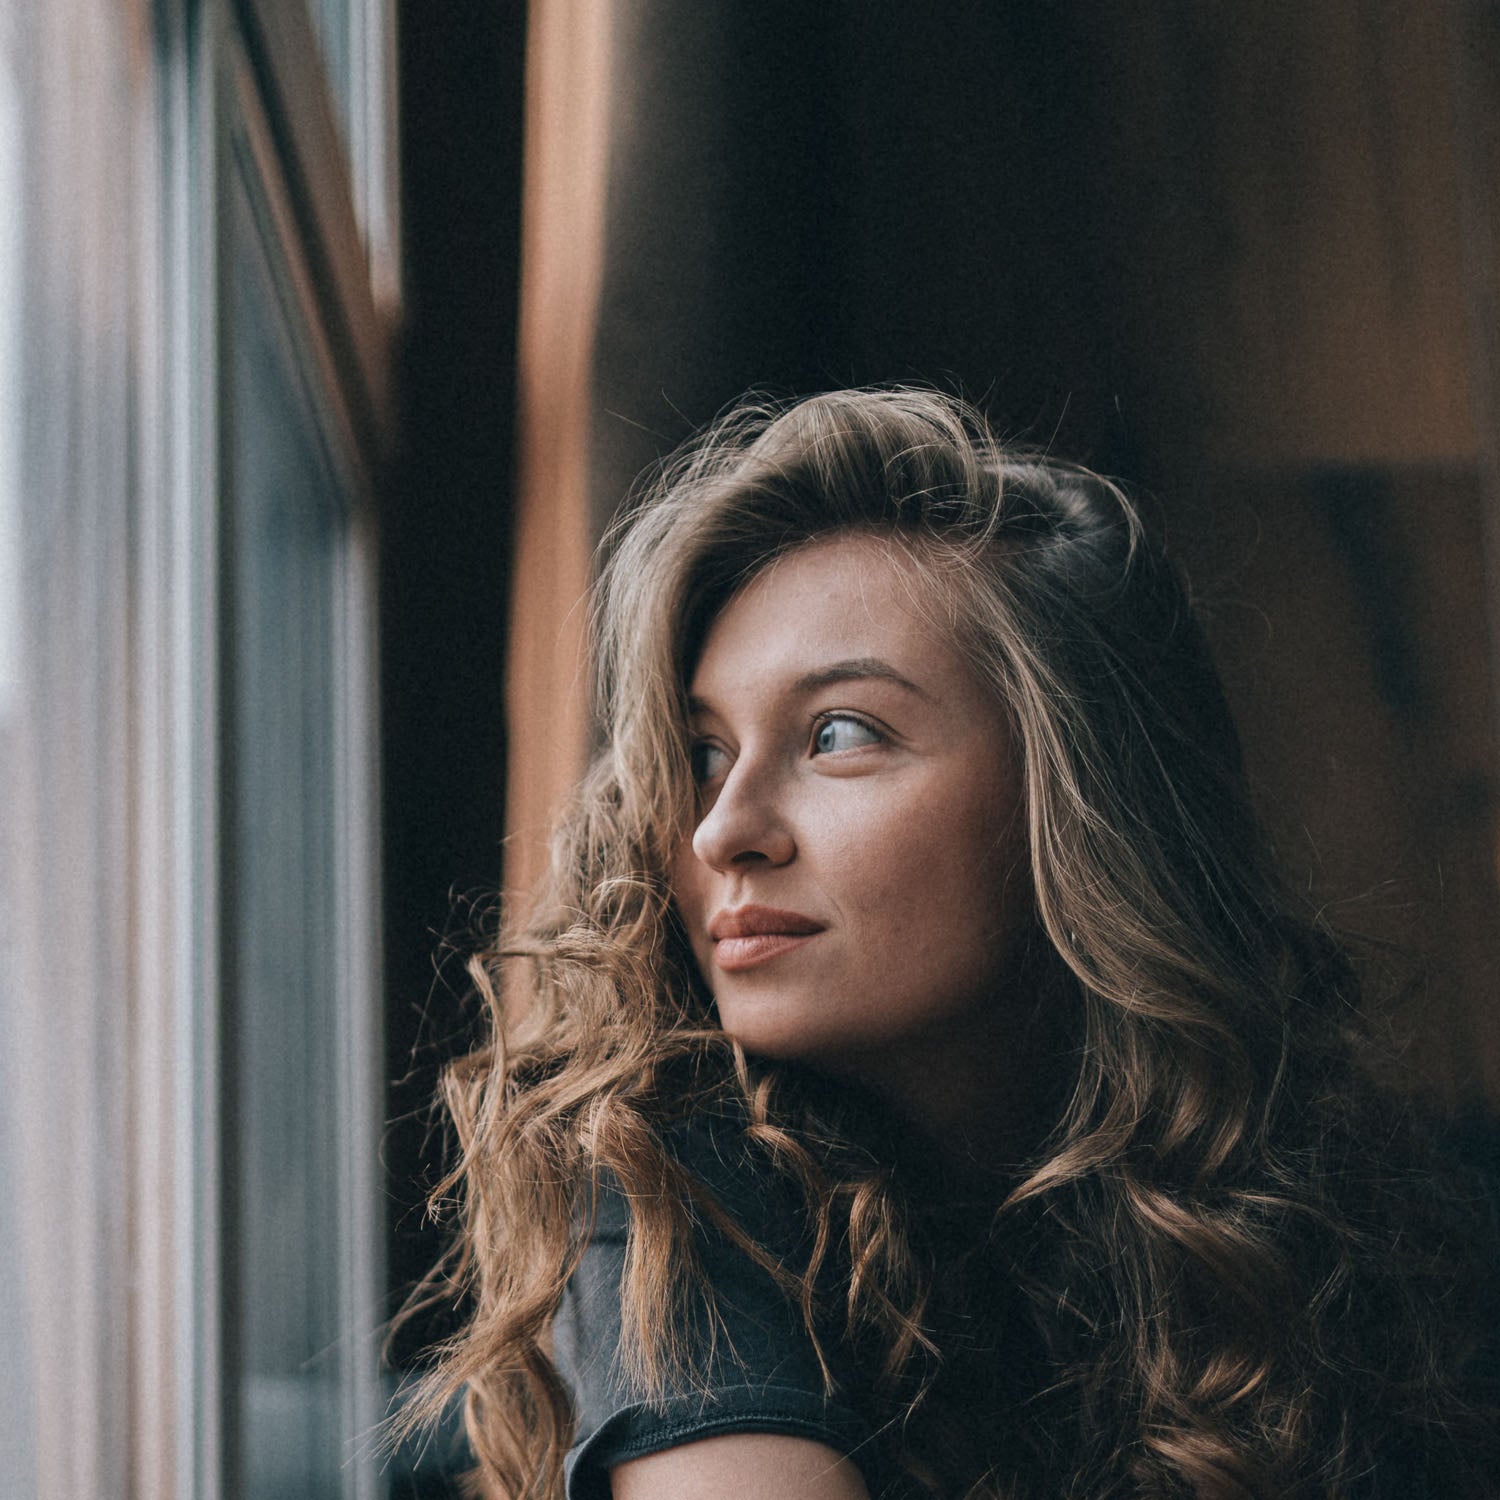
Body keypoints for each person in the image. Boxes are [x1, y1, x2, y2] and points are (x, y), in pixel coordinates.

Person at [403, 389, 1499, 1498]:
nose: (723, 828)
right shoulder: (673, 1173)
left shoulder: (1350, 1232)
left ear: (1074, 804)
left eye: (838, 734)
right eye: (703, 750)